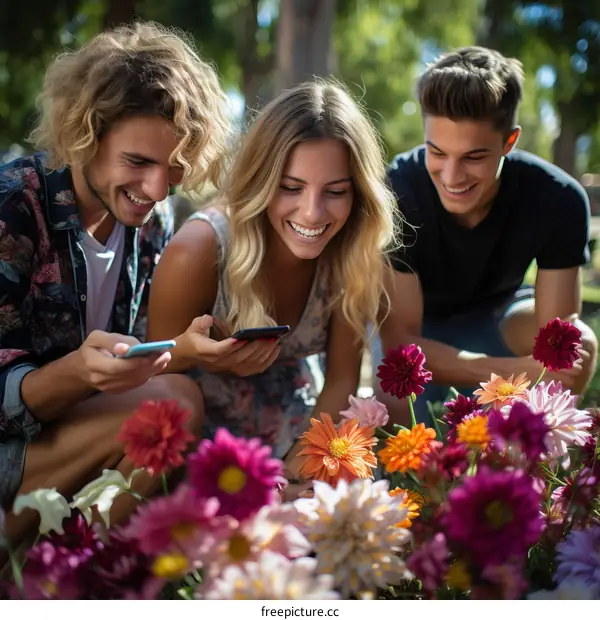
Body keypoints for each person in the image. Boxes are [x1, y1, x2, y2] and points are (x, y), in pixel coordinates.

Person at [0, 21, 232, 545]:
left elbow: (124, 362)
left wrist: (186, 349)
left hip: (69, 437)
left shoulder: (152, 220)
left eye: (173, 168)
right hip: (16, 445)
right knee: (174, 405)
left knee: (176, 401)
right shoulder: (12, 208)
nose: (155, 188)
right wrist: (75, 375)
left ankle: (75, 568)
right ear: (85, 133)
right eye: (137, 161)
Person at [147, 79, 397, 488]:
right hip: (198, 439)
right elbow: (153, 380)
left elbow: (340, 382)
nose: (313, 213)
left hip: (300, 428)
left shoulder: (352, 252)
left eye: (335, 192)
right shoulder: (200, 249)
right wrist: (198, 356)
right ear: (261, 180)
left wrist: (293, 470)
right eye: (290, 188)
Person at [374, 46, 598, 424]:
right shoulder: (397, 191)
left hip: (500, 318)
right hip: (418, 331)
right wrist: (503, 375)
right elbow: (401, 345)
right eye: (437, 153)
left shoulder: (558, 198)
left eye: (473, 158)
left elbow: (556, 342)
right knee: (397, 397)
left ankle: (531, 456)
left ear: (509, 142)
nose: (451, 176)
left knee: (577, 346)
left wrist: (526, 372)